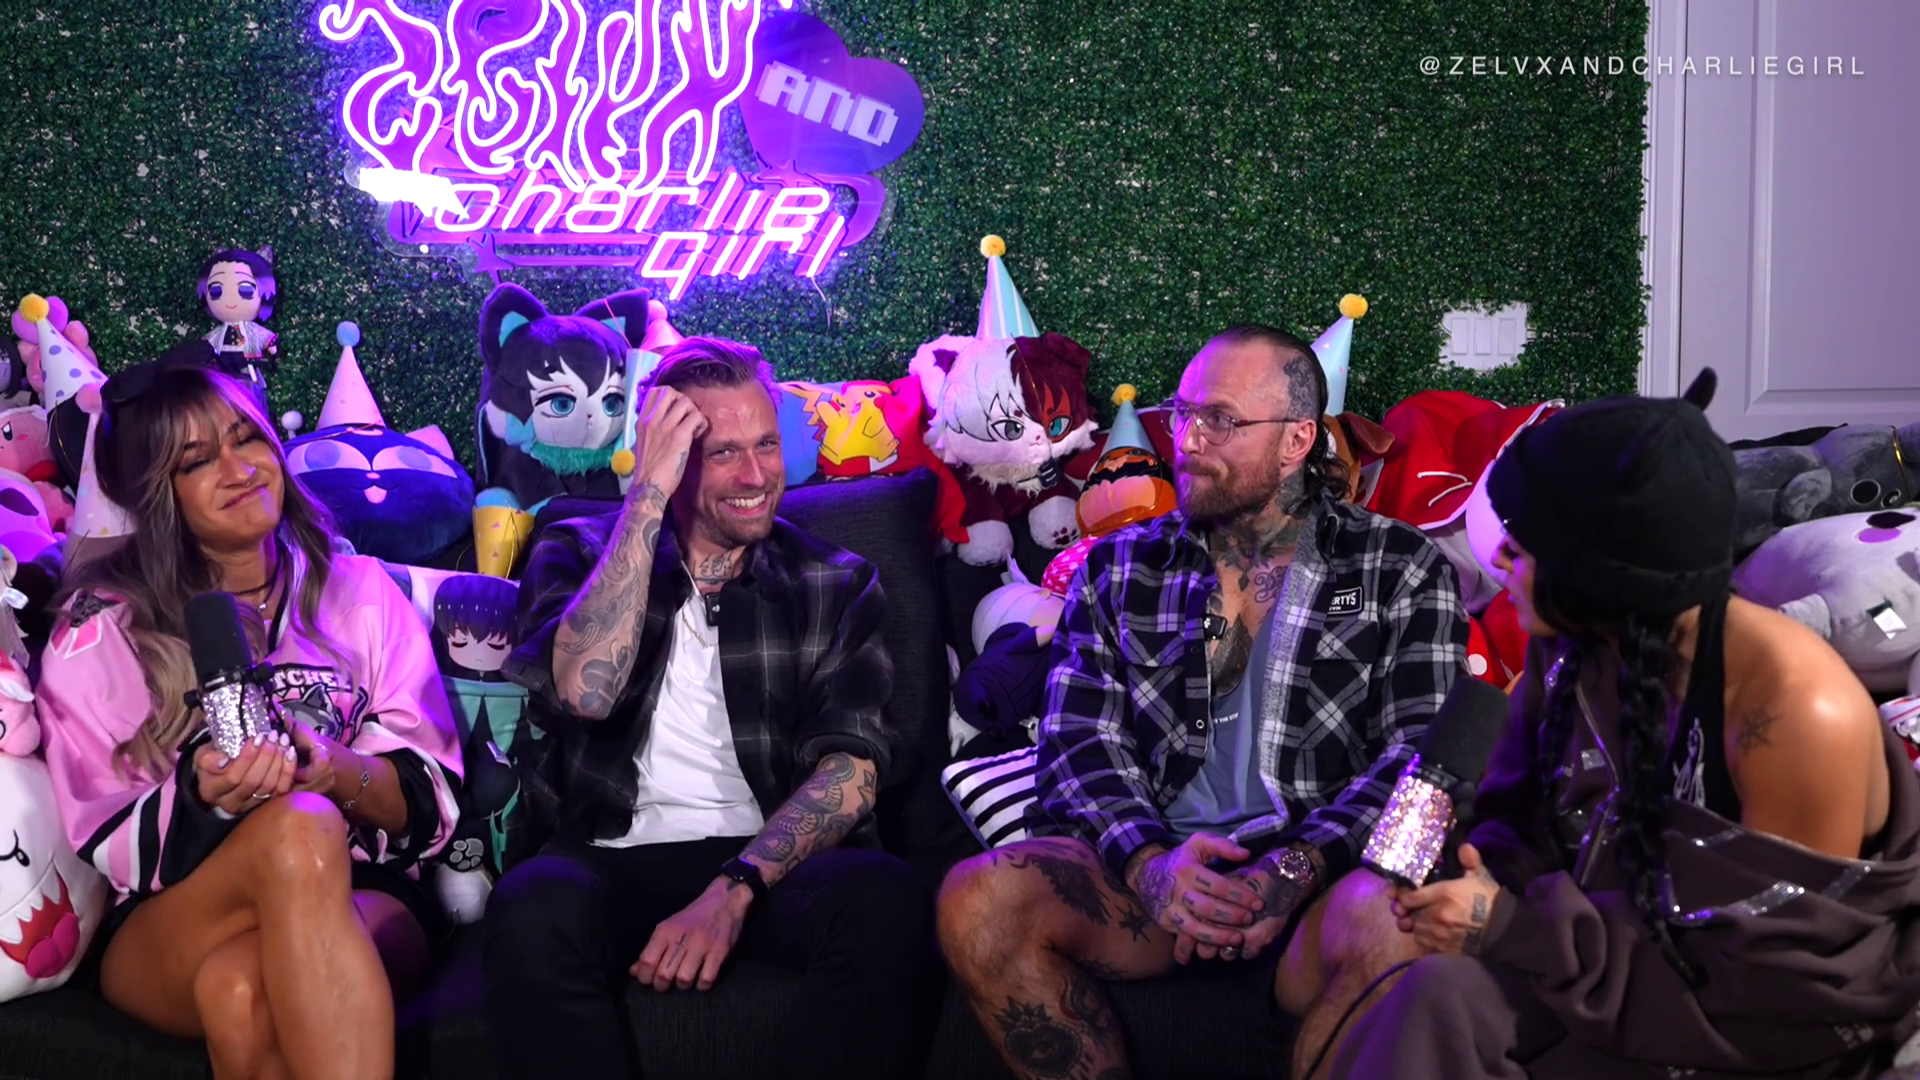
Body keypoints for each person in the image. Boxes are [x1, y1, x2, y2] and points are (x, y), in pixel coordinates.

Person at [1336, 375, 1920, 1078]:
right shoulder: (1578, 637)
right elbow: (1515, 819)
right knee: (1432, 996)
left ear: (1607, 567)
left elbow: (1771, 994)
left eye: (1526, 544)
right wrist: (1467, 874)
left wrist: (1515, 929)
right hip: (1610, 963)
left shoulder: (1799, 712)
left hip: (1756, 1028)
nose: (1499, 560)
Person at [938, 324, 1469, 1080]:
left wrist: (1294, 868)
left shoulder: (1400, 564)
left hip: (1318, 877)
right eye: (1184, 413)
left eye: (1219, 419)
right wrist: (1151, 864)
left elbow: (1424, 761)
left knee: (1402, 927)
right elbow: (1079, 743)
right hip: (1158, 878)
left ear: (1296, 441)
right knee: (977, 899)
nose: (1186, 440)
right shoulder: (1120, 565)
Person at [483, 337, 933, 1080]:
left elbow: (851, 771)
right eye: (723, 453)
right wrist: (646, 497)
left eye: (766, 445)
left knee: (885, 900)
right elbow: (584, 694)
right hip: (605, 852)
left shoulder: (835, 581)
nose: (756, 477)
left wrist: (734, 889)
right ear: (670, 457)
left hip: (768, 859)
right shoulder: (576, 551)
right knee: (529, 911)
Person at [35, 356, 464, 1080]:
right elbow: (100, 832)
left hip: (362, 892)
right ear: (154, 494)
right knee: (297, 826)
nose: (239, 470)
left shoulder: (361, 592)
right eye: (197, 461)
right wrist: (203, 795)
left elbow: (430, 803)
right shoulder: (102, 626)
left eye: (247, 438)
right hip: (175, 912)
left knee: (241, 989)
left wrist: (333, 771)